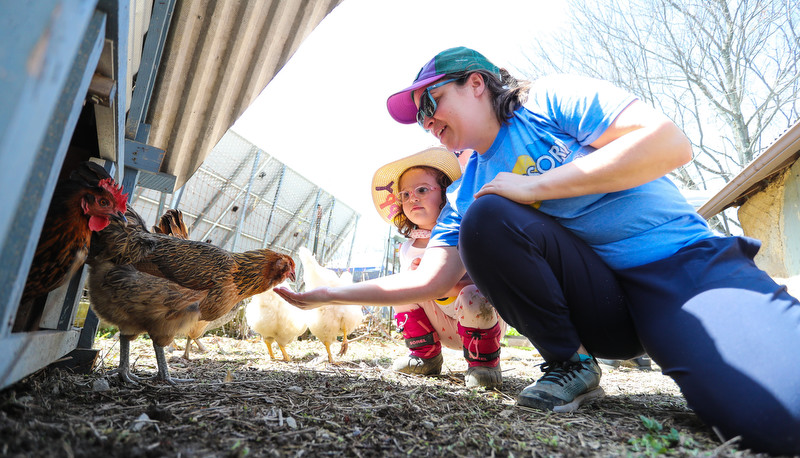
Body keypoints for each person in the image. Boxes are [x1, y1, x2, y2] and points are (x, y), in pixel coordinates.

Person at [277, 47, 800, 455]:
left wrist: (536, 187)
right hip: (604, 305)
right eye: (419, 116)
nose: (426, 121)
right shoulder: (466, 192)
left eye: (431, 103)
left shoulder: (550, 101)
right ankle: (570, 363)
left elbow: (668, 145)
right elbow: (430, 281)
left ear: (476, 84)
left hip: (685, 267)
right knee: (488, 216)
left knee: (780, 419)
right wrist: (326, 294)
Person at [371, 146, 506, 388]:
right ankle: (425, 356)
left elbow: (485, 284)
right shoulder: (408, 247)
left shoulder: (463, 232)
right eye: (405, 194)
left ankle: (484, 364)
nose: (412, 197)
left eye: (422, 190)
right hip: (440, 323)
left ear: (446, 193)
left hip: (483, 320)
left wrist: (443, 285)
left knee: (473, 295)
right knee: (399, 286)